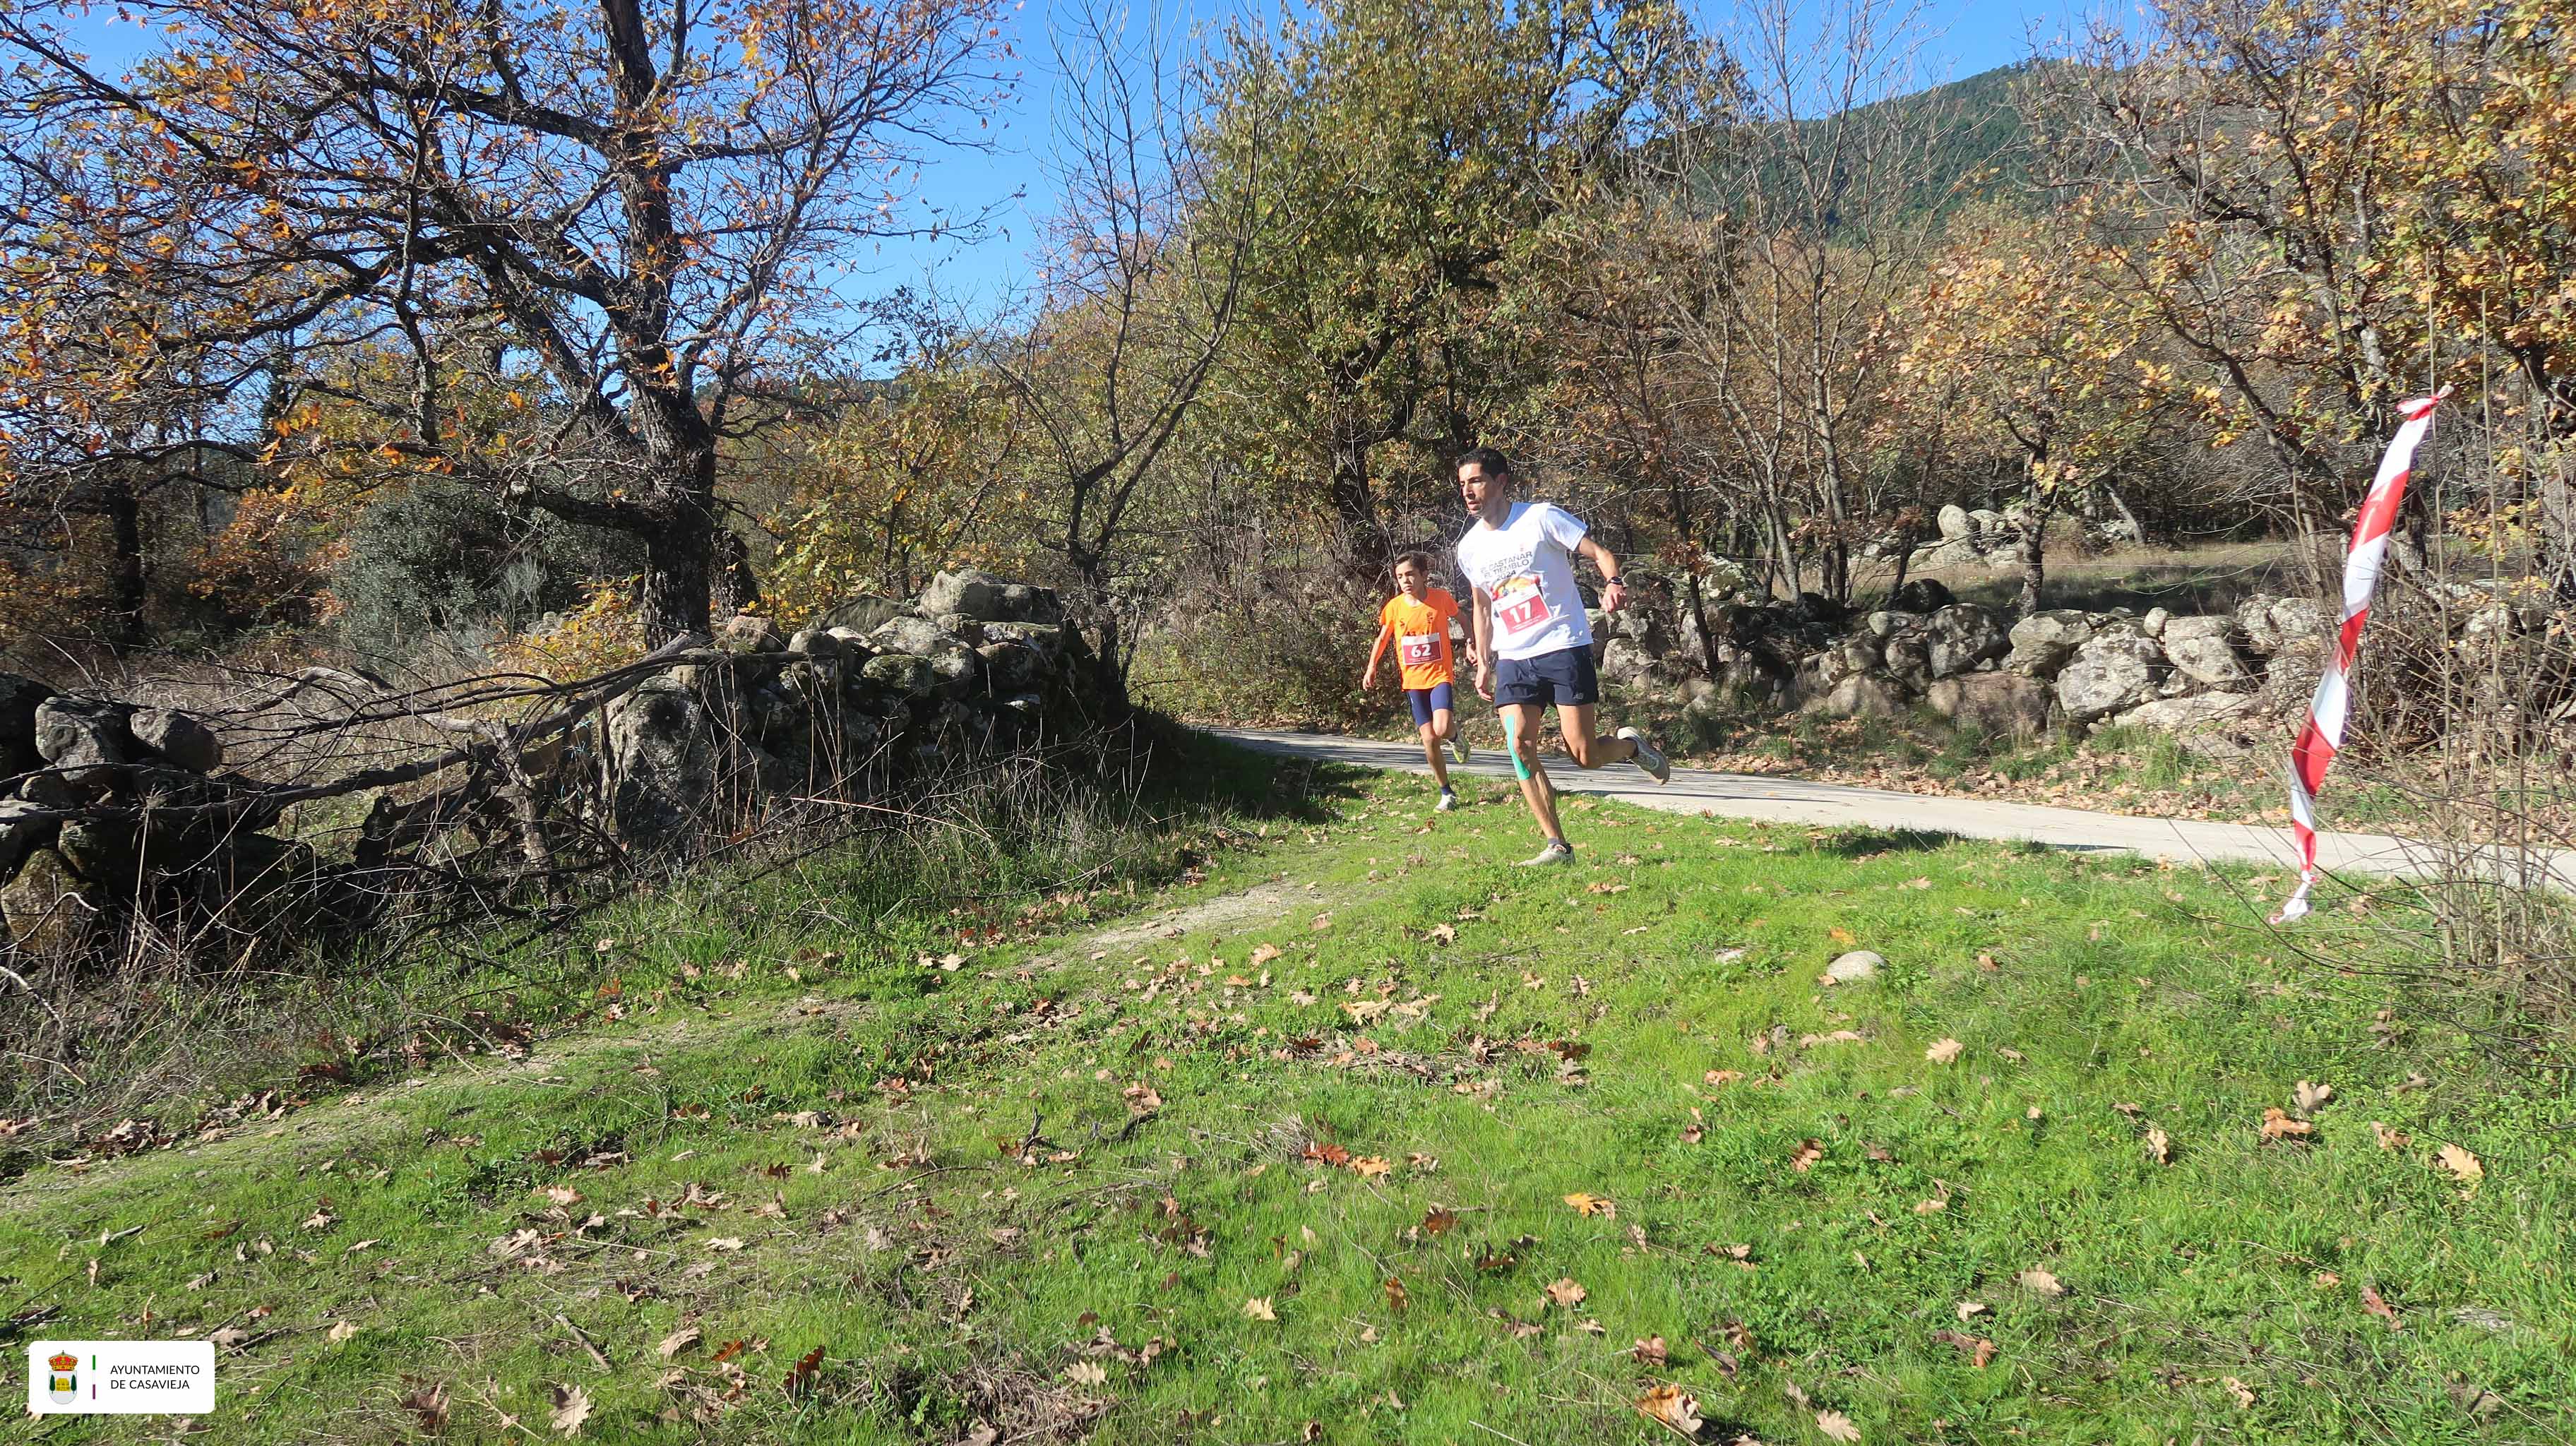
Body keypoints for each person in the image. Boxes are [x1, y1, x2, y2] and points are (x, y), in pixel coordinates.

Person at [1453, 446, 1669, 865]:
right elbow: (1482, 605)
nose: (1468, 491)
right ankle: (1557, 845)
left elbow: (1600, 553)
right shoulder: (1470, 547)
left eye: (1476, 481)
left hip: (1563, 645)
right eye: (1463, 484)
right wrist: (1483, 659)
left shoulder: (1540, 518)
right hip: (1514, 657)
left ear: (1501, 482)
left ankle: (1630, 747)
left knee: (1584, 755)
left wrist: (1614, 582)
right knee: (1519, 745)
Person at [1363, 550, 1473, 811]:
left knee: (1442, 728)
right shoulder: (1394, 607)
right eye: (1400, 576)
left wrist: (1471, 642)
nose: (1405, 580)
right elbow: (1383, 637)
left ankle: (1455, 737)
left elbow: (1462, 618)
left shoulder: (1440, 598)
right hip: (1413, 681)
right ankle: (1446, 793)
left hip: (1439, 675)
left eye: (1411, 574)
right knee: (1429, 739)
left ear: (1424, 575)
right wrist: (1372, 666)